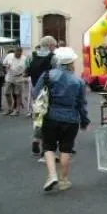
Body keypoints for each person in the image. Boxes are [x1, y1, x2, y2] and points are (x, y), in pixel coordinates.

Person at [33, 47, 90, 192]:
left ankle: (52, 175)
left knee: (49, 147)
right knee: (66, 148)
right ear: (71, 63)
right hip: (71, 119)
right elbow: (81, 104)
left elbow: (35, 94)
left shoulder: (47, 75)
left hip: (50, 116)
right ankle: (64, 180)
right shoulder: (78, 81)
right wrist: (84, 121)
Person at [25, 35, 58, 156]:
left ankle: (35, 139)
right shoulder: (53, 58)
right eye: (54, 45)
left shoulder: (31, 56)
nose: (54, 48)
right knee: (49, 118)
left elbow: (26, 70)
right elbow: (56, 74)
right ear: (50, 45)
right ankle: (46, 146)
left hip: (35, 89)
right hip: (49, 91)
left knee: (38, 117)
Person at [3, 46, 26, 116]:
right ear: (14, 52)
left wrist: (24, 74)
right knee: (6, 93)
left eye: (19, 54)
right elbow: (4, 63)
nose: (17, 55)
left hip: (19, 78)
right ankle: (10, 109)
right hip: (9, 77)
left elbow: (27, 68)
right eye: (16, 53)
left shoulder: (24, 59)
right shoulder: (9, 56)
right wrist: (6, 66)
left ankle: (17, 110)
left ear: (21, 53)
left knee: (18, 94)